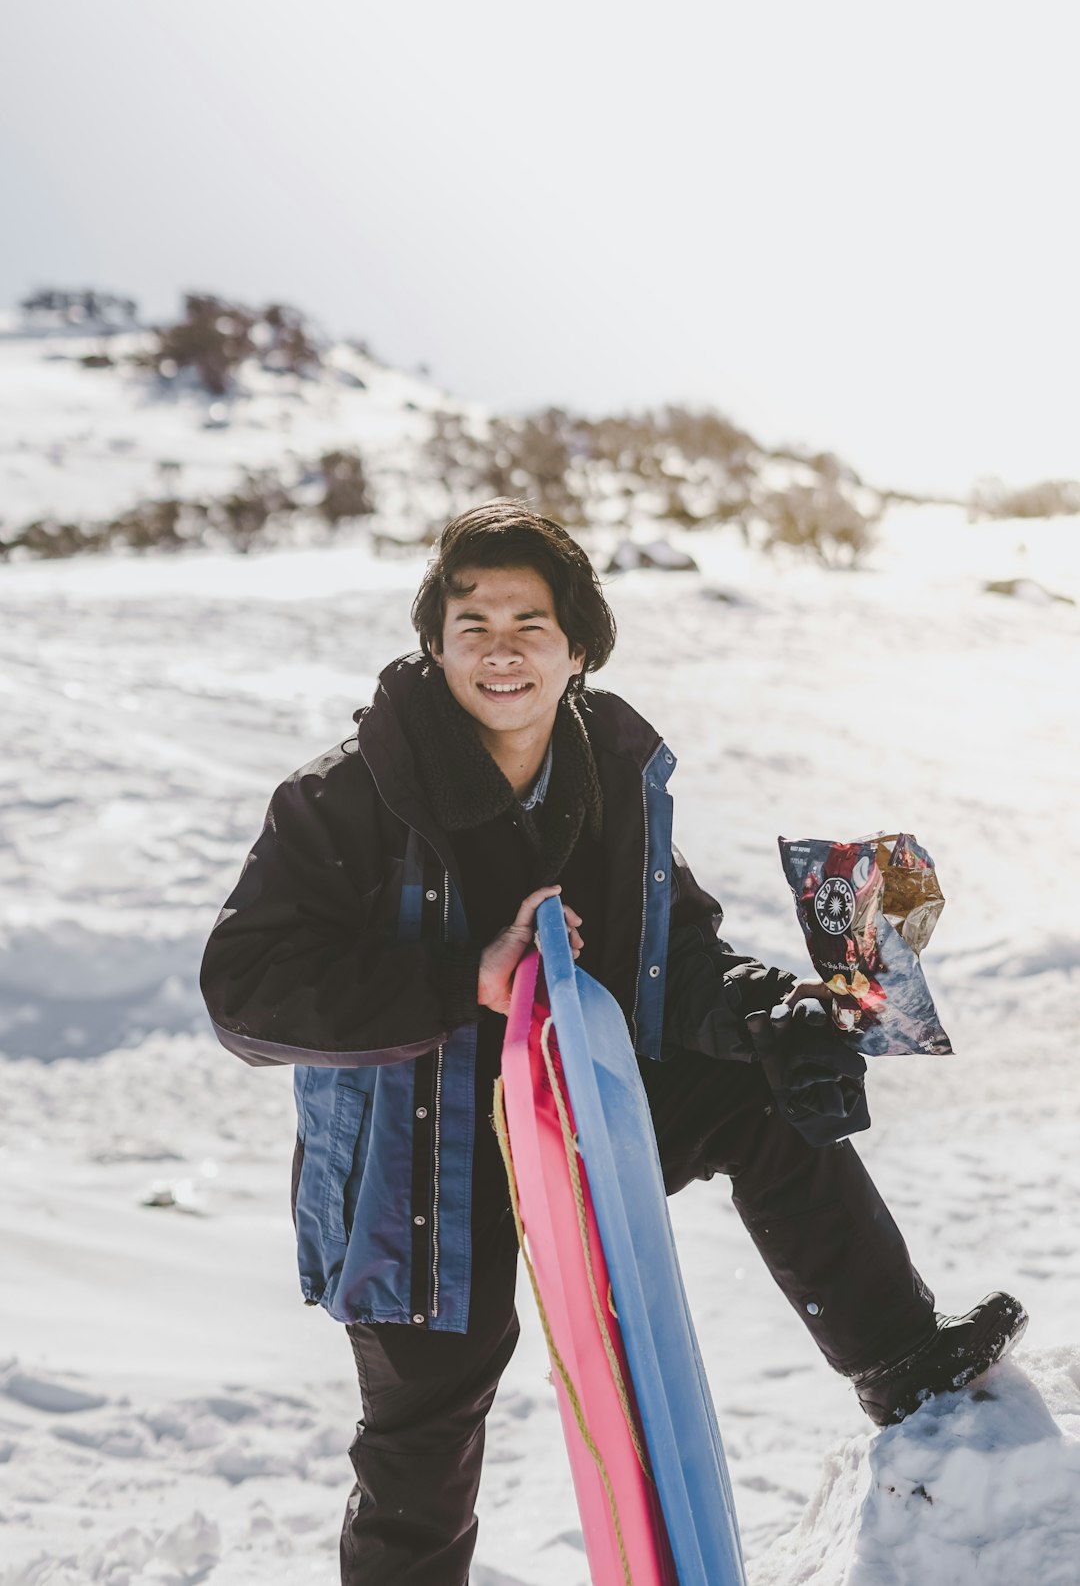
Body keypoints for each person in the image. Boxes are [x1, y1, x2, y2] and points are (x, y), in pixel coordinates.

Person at [200, 499, 1026, 1586]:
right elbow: (245, 991)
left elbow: (676, 954)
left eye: (529, 623)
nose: (501, 650)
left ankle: (904, 1367)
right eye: (473, 623)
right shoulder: (348, 796)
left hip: (581, 1119)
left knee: (758, 1100)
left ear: (578, 645)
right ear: (434, 642)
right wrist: (464, 980)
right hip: (417, 1175)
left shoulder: (609, 777)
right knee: (425, 1442)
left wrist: (768, 1013)